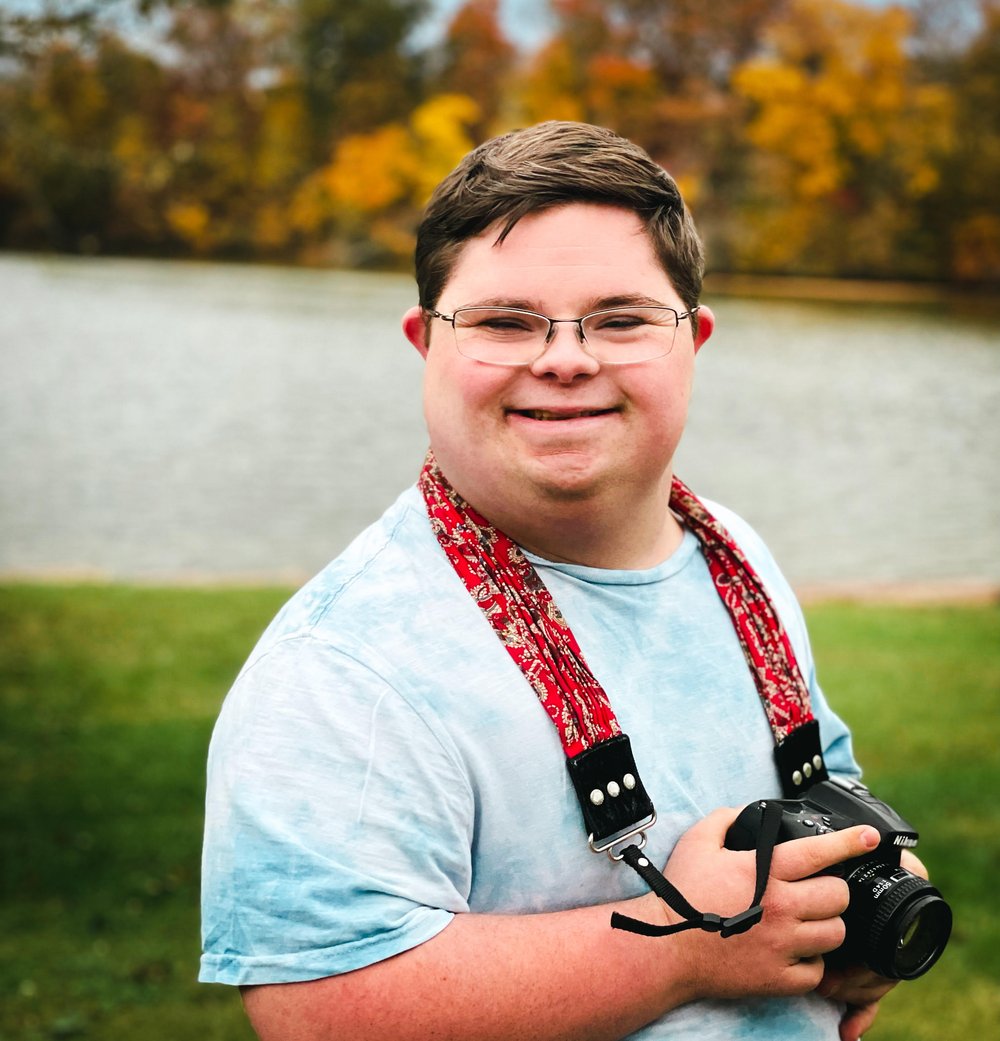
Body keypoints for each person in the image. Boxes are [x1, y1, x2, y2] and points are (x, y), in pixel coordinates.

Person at [200, 121, 918, 1041]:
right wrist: (684, 943)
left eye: (621, 319)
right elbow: (316, 1011)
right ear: (427, 343)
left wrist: (874, 897)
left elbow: (824, 779)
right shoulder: (344, 666)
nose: (567, 358)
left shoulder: (732, 553)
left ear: (692, 340)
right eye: (505, 321)